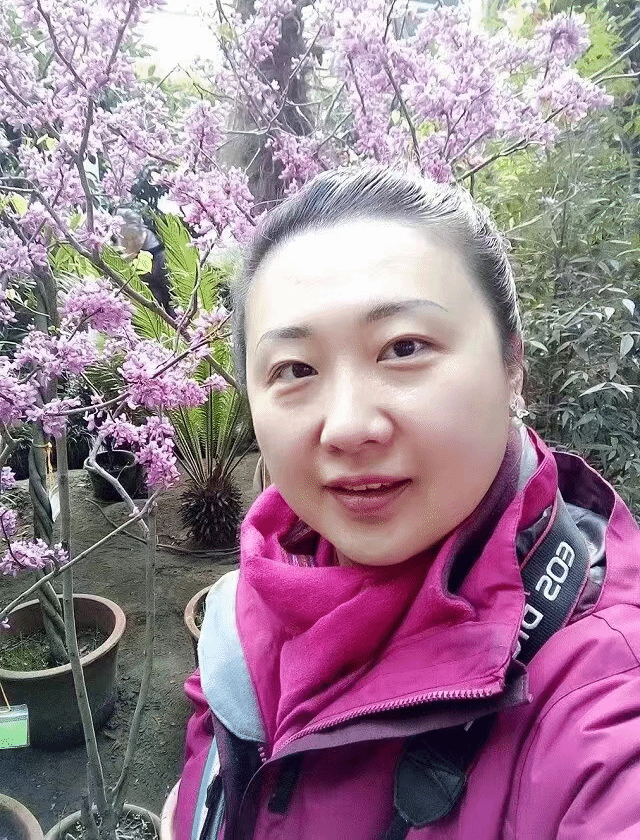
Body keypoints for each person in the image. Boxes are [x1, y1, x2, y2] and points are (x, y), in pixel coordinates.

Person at [172, 166, 640, 840]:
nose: (347, 426)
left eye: (404, 348)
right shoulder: (247, 610)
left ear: (512, 364)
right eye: (295, 369)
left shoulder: (600, 690)